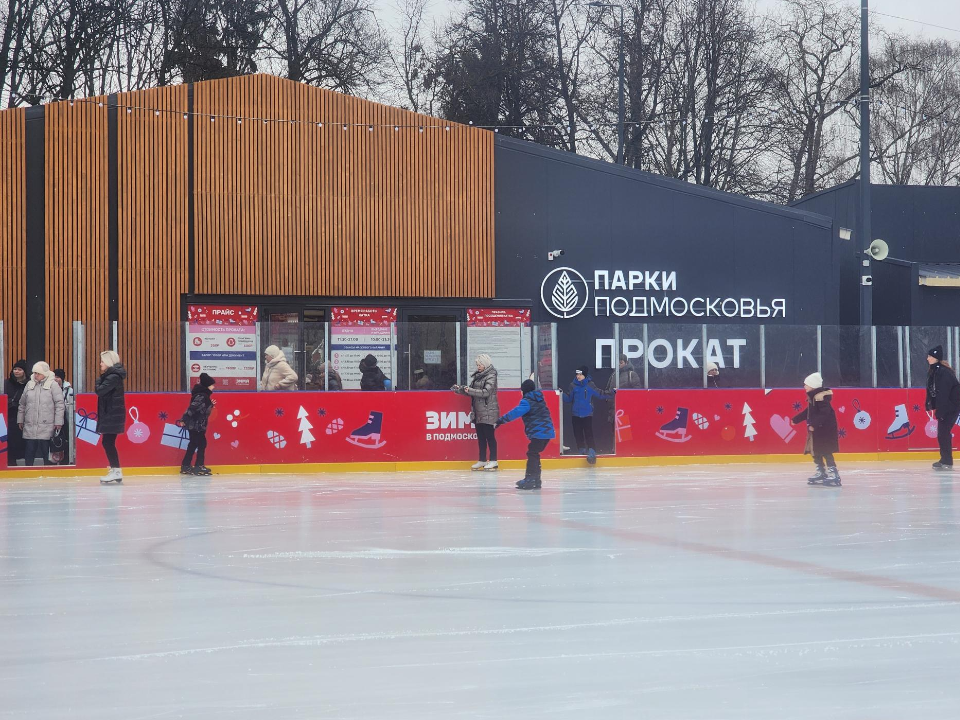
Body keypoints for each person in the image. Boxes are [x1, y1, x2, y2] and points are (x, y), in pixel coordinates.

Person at [496, 379, 556, 490]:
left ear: (524, 391)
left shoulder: (527, 401)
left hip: (539, 433)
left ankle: (530, 479)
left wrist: (500, 421)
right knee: (534, 453)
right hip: (548, 432)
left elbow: (515, 413)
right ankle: (536, 480)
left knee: (532, 453)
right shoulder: (540, 399)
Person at [791, 372, 840, 486]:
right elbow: (808, 412)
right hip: (817, 430)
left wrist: (814, 424)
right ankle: (821, 471)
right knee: (815, 451)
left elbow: (825, 413)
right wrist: (796, 419)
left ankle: (834, 474)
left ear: (813, 385)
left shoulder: (820, 398)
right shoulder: (813, 398)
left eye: (806, 385)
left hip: (825, 430)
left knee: (826, 451)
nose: (804, 387)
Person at [452, 354, 499, 470]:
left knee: (490, 437)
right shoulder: (478, 376)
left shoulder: (491, 376)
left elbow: (486, 392)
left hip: (489, 411)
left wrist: (471, 390)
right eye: (477, 364)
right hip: (478, 411)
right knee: (481, 438)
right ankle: (482, 460)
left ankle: (493, 460)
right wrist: (460, 390)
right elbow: (472, 392)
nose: (478, 366)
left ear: (485, 364)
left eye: (480, 364)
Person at [559, 365, 611, 464]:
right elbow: (569, 399)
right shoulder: (573, 385)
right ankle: (581, 450)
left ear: (585, 375)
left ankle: (592, 451)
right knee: (578, 434)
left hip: (587, 414)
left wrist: (613, 393)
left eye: (580, 374)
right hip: (575, 414)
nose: (578, 376)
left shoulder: (590, 385)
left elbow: (600, 394)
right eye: (577, 374)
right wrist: (561, 393)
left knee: (588, 434)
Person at [17, 362, 65, 467]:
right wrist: (20, 420)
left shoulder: (53, 385)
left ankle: (49, 472)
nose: (35, 375)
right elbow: (22, 404)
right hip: (30, 425)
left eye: (38, 373)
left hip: (47, 425)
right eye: (34, 373)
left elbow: (60, 405)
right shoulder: (30, 384)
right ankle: (28, 471)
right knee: (29, 452)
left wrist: (58, 422)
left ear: (44, 373)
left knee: (46, 453)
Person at [925, 345, 960, 471]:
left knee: (943, 433)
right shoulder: (935, 371)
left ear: (935, 358)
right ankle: (945, 459)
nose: (927, 358)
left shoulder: (943, 372)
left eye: (929, 356)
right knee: (942, 433)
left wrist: (942, 411)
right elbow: (933, 390)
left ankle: (947, 460)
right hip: (947, 407)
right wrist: (929, 404)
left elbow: (944, 393)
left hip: (950, 407)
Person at [96, 350, 127, 484]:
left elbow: (100, 390)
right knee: (108, 442)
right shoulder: (112, 376)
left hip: (112, 414)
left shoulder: (113, 377)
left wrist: (98, 380)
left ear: (108, 362)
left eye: (102, 361)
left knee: (107, 442)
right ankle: (115, 470)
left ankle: (116, 470)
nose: (100, 364)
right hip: (111, 413)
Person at [179, 373, 216, 476]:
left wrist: (210, 405)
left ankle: (187, 466)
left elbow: (201, 409)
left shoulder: (204, 396)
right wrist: (184, 419)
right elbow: (193, 408)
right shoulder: (202, 396)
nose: (213, 387)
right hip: (196, 425)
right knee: (201, 443)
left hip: (197, 425)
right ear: (207, 386)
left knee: (194, 444)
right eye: (212, 385)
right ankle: (198, 466)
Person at [605, 354, 641, 428]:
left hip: (626, 411)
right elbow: (607, 390)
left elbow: (637, 392)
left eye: (621, 362)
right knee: (615, 435)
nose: (619, 364)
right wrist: (608, 398)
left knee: (624, 435)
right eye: (617, 362)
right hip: (613, 411)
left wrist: (621, 393)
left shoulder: (632, 374)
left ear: (626, 363)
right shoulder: (613, 375)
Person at [4, 359, 29, 466]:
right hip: (8, 417)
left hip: (24, 417)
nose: (16, 371)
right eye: (15, 369)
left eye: (19, 369)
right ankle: (11, 461)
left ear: (24, 371)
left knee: (23, 442)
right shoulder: (6, 383)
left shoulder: (29, 385)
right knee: (8, 441)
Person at [51, 369, 74, 465]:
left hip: (65, 418)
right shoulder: (49, 388)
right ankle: (52, 461)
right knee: (53, 440)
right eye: (54, 377)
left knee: (65, 439)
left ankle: (65, 461)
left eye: (58, 377)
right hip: (52, 417)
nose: (56, 379)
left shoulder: (69, 389)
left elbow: (70, 405)